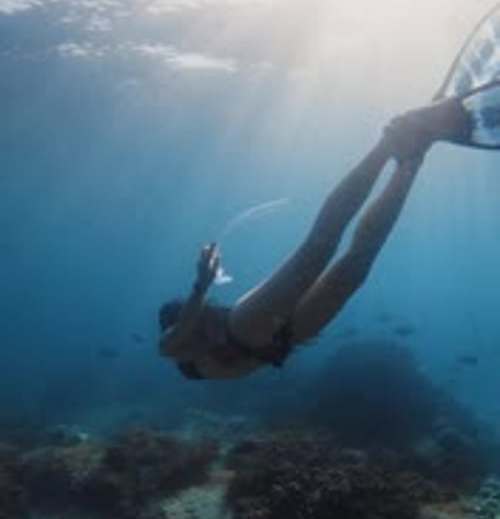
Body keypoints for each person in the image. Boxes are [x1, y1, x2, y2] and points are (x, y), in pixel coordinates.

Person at [159, 95, 472, 381]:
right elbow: (185, 326)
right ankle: (412, 160)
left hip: (244, 328)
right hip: (286, 337)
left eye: (199, 318)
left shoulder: (174, 348)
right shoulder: (186, 350)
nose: (200, 321)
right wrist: (200, 298)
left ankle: (389, 141)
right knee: (354, 267)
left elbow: (183, 328)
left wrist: (201, 287)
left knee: (317, 249)